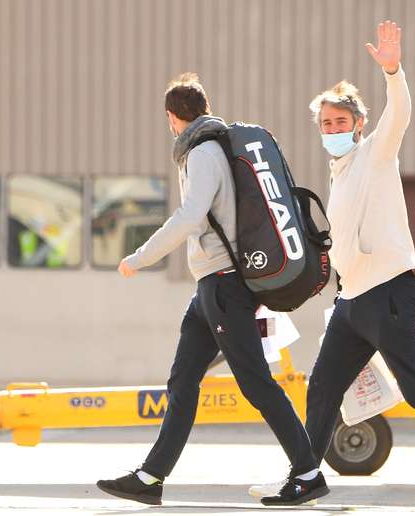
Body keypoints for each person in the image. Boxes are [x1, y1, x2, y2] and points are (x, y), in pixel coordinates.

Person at [252, 20, 415, 509]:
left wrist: (392, 71)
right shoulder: (339, 173)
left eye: (341, 123)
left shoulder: (375, 155)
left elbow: (400, 114)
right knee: (322, 386)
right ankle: (306, 476)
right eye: (326, 125)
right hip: (353, 300)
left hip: (388, 292)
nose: (333, 130)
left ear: (358, 125)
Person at [96, 73, 329, 507]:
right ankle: (151, 477)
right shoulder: (211, 144)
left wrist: (140, 256)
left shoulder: (202, 151)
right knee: (183, 380)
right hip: (210, 288)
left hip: (225, 286)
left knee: (255, 382)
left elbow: (191, 216)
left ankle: (309, 471)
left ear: (171, 117)